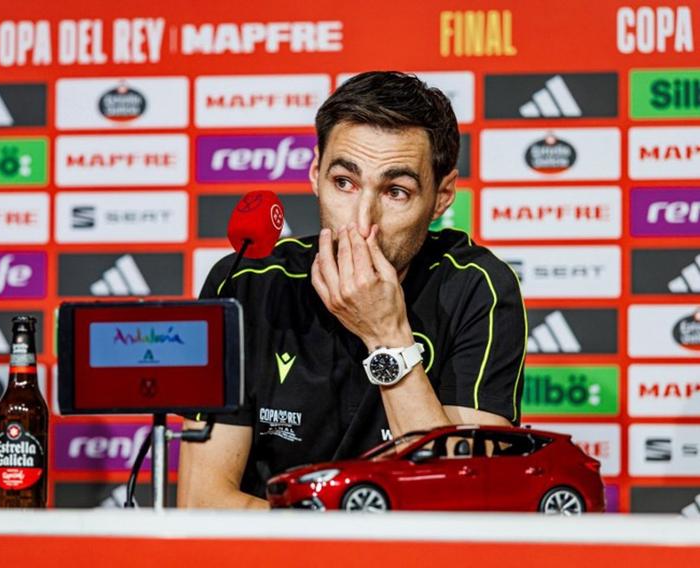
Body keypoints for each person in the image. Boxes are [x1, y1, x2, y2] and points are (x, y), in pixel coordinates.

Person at [177, 71, 526, 509]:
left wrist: (387, 338)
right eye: (344, 182)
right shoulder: (246, 283)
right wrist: (340, 537)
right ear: (315, 173)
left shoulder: (478, 287)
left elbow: (465, 502)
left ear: (442, 196)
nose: (361, 223)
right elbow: (201, 502)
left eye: (396, 191)